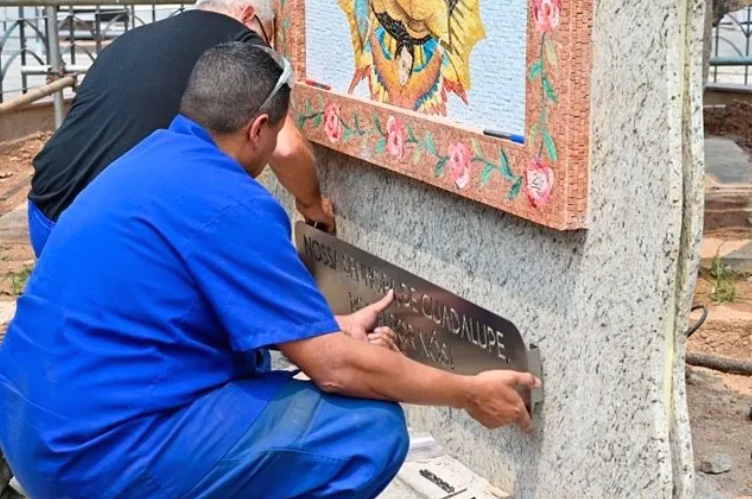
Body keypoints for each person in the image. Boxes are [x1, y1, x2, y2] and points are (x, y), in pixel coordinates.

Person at [0, 43, 539, 499]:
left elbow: (204, 311)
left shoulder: (147, 161)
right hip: (93, 460)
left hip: (30, 428)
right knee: (365, 431)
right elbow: (336, 370)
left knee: (258, 371)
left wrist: (329, 330)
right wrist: (468, 392)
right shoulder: (232, 204)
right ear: (259, 129)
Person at [27, 0, 334, 258]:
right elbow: (287, 147)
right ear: (248, 14)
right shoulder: (238, 47)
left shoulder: (138, 37)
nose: (266, 48)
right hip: (107, 236)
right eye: (270, 37)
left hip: (45, 214)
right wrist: (312, 205)